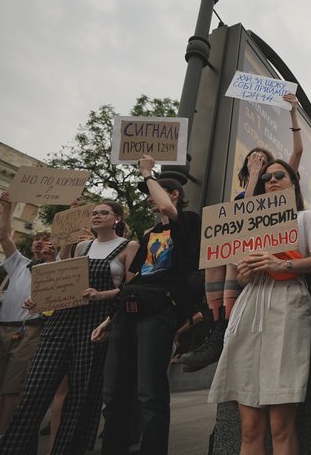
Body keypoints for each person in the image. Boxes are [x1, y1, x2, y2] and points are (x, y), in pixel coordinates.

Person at [0, 200, 138, 455]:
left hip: (96, 322)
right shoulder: (82, 246)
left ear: (116, 218)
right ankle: (14, 449)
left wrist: (102, 295)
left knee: (82, 393)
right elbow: (64, 281)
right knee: (35, 388)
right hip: (62, 320)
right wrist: (40, 299)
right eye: (94, 213)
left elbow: (132, 289)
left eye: (103, 213)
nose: (96, 216)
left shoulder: (129, 246)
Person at [180, 93, 304, 370]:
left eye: (264, 163)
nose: (265, 172)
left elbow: (297, 152)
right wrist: (254, 175)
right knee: (218, 254)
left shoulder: (278, 181)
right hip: (243, 251)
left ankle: (225, 322)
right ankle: (217, 323)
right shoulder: (243, 193)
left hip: (271, 248)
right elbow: (245, 215)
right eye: (255, 163)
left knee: (232, 256)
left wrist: (293, 113)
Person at [208, 159, 311, 455]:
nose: (272, 180)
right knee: (249, 427)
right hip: (250, 306)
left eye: (280, 175)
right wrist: (244, 274)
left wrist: (282, 264)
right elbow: (240, 276)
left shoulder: (306, 218)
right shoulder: (249, 226)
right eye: (266, 178)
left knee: (280, 424)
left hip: (287, 303)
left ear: (293, 183)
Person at [92, 155, 200, 455]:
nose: (149, 199)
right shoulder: (148, 235)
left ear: (174, 194)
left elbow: (167, 209)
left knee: (150, 393)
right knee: (114, 391)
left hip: (159, 313)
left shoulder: (189, 221)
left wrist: (147, 172)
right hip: (127, 314)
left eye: (154, 192)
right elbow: (135, 279)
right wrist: (110, 319)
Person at [0, 193, 55, 455]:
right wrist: (7, 208)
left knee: (11, 392)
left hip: (29, 332)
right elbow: (4, 236)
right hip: (1, 330)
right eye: (37, 239)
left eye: (46, 239)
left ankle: (0, 445)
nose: (40, 243)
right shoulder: (20, 263)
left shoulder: (58, 268)